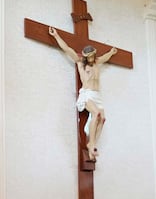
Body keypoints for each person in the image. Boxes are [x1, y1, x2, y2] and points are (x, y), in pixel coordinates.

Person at [48, 26, 117, 160]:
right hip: (87, 94)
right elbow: (67, 49)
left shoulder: (97, 62)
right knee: (96, 114)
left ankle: (93, 143)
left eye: (92, 55)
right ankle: (91, 145)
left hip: (97, 95)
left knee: (102, 119)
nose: (91, 58)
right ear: (85, 56)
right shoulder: (80, 63)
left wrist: (112, 52)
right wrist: (56, 35)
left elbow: (105, 57)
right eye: (89, 56)